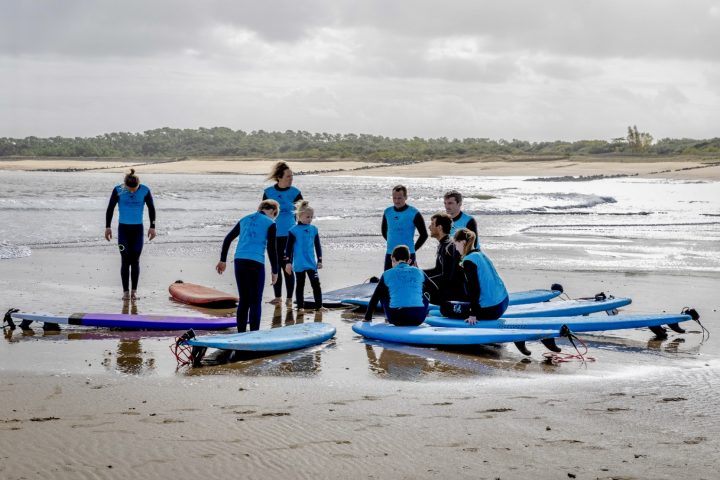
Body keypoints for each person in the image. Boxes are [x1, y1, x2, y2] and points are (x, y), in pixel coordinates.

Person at [216, 199, 279, 332]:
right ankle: (253, 335)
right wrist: (275, 270)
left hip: (239, 260)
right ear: (274, 212)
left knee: (244, 300)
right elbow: (271, 249)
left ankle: (241, 335)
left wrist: (223, 260)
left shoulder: (244, 219)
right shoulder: (271, 223)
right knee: (255, 301)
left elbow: (228, 238)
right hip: (255, 262)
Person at [104, 168, 156, 301]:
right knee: (125, 259)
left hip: (138, 230)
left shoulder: (145, 190)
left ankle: (134, 292)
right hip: (123, 230)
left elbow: (151, 208)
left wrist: (152, 227)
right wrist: (108, 227)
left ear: (139, 184)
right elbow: (110, 208)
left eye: (135, 188)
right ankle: (125, 292)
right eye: (129, 189)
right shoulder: (118, 190)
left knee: (135, 259)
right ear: (125, 185)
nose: (132, 191)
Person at [446, 228, 508, 324]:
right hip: (503, 302)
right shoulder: (480, 254)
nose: (456, 248)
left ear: (462, 242)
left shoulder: (468, 261)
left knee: (445, 308)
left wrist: (473, 314)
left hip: (492, 309)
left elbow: (474, 289)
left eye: (456, 244)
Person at [363, 245, 435, 326]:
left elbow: (375, 298)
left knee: (382, 292)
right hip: (418, 318)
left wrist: (367, 318)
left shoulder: (386, 274)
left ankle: (387, 316)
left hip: (396, 319)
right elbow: (434, 289)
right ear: (409, 261)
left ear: (392, 259)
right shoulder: (419, 272)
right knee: (425, 293)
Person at [263, 161, 303, 305]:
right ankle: (278, 297)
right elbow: (263, 216)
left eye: (292, 176)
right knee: (276, 266)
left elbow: (303, 214)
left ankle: (289, 299)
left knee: (287, 267)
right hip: (272, 236)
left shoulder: (295, 193)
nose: (291, 179)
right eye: (288, 176)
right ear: (279, 177)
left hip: (289, 236)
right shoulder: (269, 193)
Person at [284, 200, 323, 311]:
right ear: (299, 216)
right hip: (299, 263)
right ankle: (300, 307)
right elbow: (288, 249)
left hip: (311, 263)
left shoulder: (314, 229)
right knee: (300, 285)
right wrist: (288, 263)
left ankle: (319, 306)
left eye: (311, 217)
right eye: (307, 217)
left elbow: (318, 246)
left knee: (316, 284)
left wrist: (320, 260)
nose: (310, 219)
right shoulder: (293, 231)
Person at [381, 185, 428, 271]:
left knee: (408, 281)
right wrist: (392, 243)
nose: (396, 200)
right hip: (390, 254)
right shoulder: (387, 212)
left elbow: (424, 235)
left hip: (408, 255)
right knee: (388, 281)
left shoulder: (414, 212)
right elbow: (384, 231)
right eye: (394, 198)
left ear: (406, 197)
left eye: (399, 198)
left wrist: (412, 249)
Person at [423, 212, 466, 304]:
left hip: (454, 294)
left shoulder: (449, 247)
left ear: (440, 228)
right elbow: (438, 270)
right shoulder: (444, 244)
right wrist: (419, 273)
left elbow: (448, 277)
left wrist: (423, 280)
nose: (429, 227)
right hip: (448, 288)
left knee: (418, 286)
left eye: (432, 224)